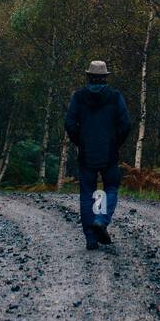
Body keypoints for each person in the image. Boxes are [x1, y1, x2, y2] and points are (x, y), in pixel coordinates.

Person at [64, 60, 132, 251]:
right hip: (109, 153)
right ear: (105, 77)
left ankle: (91, 238)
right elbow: (126, 124)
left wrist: (80, 142)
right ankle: (100, 220)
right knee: (109, 188)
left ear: (88, 77)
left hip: (86, 154)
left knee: (88, 193)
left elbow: (69, 124)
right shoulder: (114, 97)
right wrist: (115, 143)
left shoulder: (78, 97)